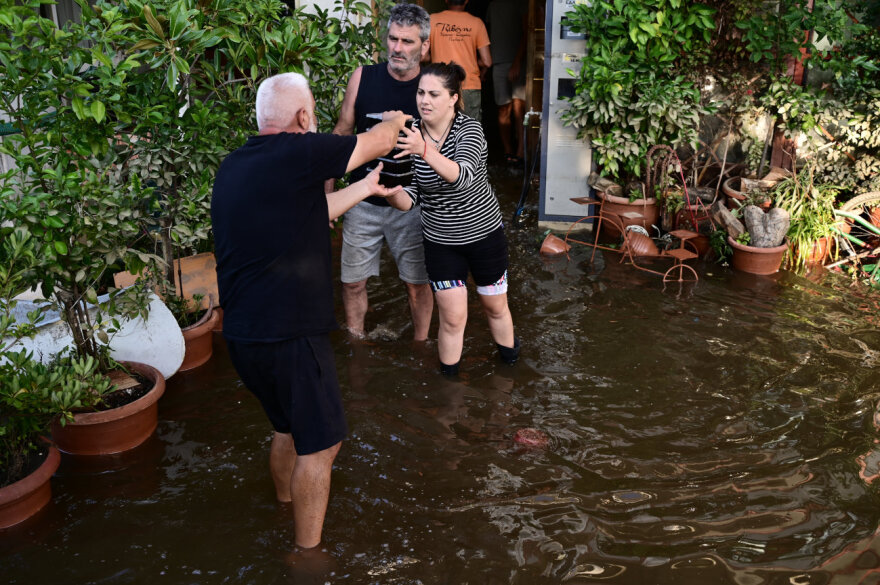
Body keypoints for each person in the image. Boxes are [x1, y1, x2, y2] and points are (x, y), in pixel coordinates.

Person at [211, 72, 411, 550]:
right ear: (303, 116)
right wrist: (399, 119)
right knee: (322, 445)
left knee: (286, 427)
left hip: (243, 335)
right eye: (313, 112)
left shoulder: (236, 165)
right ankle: (308, 558)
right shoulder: (300, 151)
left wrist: (366, 188)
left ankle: (283, 504)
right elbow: (381, 138)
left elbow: (311, 212)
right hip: (291, 333)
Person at [394, 62, 519, 375]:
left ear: (452, 98)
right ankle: (449, 391)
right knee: (451, 318)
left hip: (484, 236)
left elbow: (461, 177)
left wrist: (423, 149)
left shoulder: (470, 130)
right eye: (421, 92)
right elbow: (411, 198)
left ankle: (512, 365)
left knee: (494, 307)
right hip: (441, 241)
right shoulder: (411, 135)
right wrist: (386, 191)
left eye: (434, 94)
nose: (424, 100)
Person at [330, 3, 434, 342]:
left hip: (413, 203)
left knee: (418, 284)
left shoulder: (433, 87)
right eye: (392, 39)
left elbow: (451, 145)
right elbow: (343, 132)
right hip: (363, 198)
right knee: (353, 282)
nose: (397, 48)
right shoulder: (363, 77)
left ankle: (421, 344)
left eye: (407, 41)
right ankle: (357, 342)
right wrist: (328, 190)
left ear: (424, 46)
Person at [429, 0, 492, 122]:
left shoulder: (432, 20)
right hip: (469, 85)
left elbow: (422, 56)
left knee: (440, 131)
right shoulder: (476, 23)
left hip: (440, 84)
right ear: (467, 1)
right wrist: (471, 60)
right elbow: (487, 61)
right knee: (470, 131)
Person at [486, 0, 528, 165]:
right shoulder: (493, 5)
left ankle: (521, 151)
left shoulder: (521, 4)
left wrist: (517, 62)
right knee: (503, 108)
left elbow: (527, 32)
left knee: (519, 108)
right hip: (498, 62)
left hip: (520, 62)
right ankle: (507, 150)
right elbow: (488, 35)